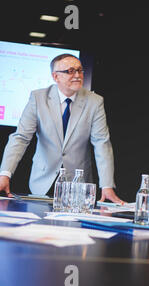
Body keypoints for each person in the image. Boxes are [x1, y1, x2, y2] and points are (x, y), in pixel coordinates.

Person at [0, 53, 123, 203]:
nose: (77, 75)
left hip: (78, 185)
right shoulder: (38, 98)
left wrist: (107, 185)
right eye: (70, 71)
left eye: (79, 70)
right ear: (55, 77)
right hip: (42, 182)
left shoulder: (95, 101)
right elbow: (20, 138)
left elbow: (101, 143)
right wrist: (5, 174)